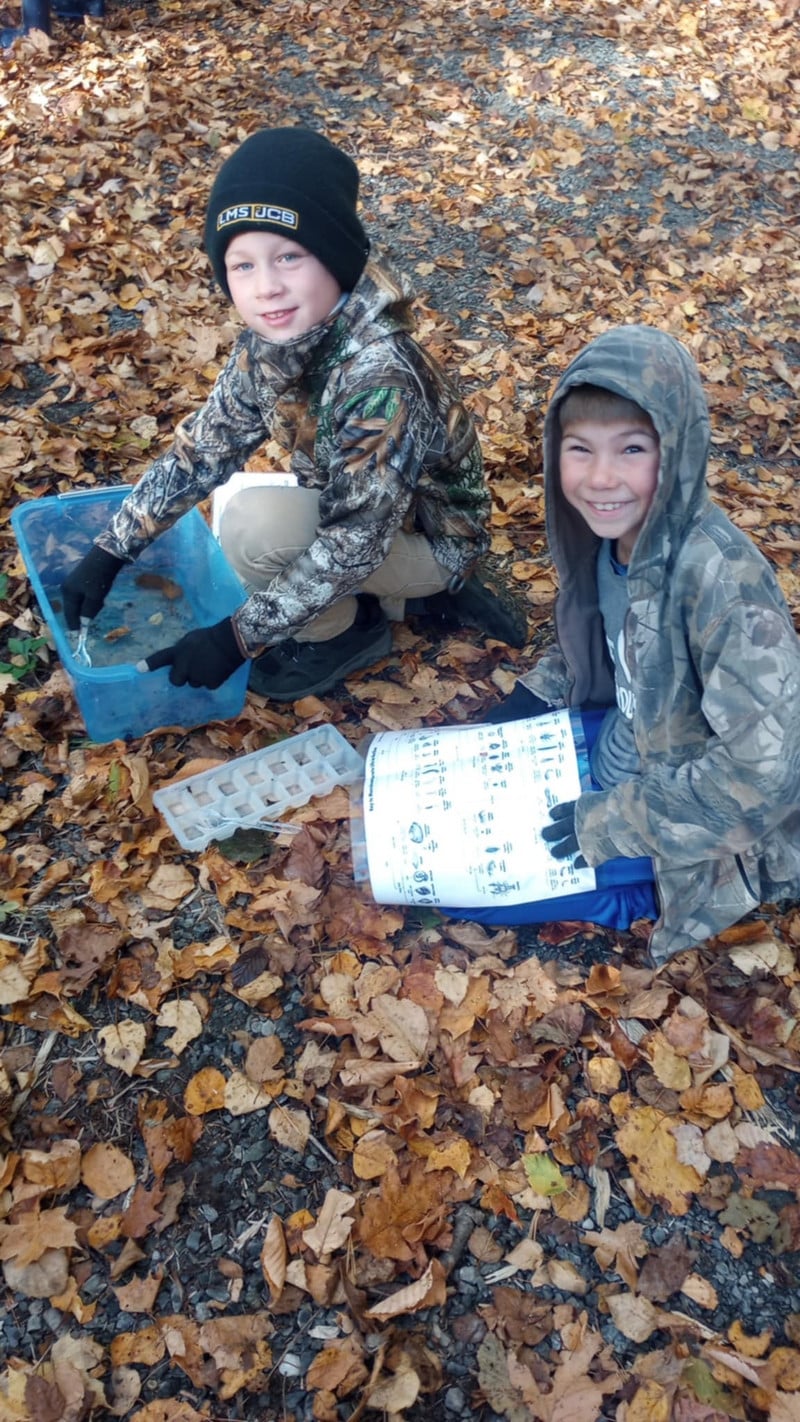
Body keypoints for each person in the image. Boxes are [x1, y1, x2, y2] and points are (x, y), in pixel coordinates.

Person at [61, 127, 526, 702]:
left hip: (427, 537)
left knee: (251, 532)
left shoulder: (381, 377)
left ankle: (348, 632)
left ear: (335, 258)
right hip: (358, 510)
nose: (267, 288)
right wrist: (111, 549)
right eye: (243, 266)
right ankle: (396, 600)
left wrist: (235, 639)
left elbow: (355, 543)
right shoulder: (273, 344)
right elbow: (204, 450)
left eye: (288, 256)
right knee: (250, 519)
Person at [456, 324, 800, 965]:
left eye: (633, 449)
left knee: (473, 894)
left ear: (678, 452)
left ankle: (634, 897)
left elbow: (764, 779)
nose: (601, 477)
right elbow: (610, 641)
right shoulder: (611, 542)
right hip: (624, 742)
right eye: (580, 449)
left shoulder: (725, 586)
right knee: (462, 803)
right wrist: (533, 698)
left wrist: (610, 824)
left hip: (699, 830)